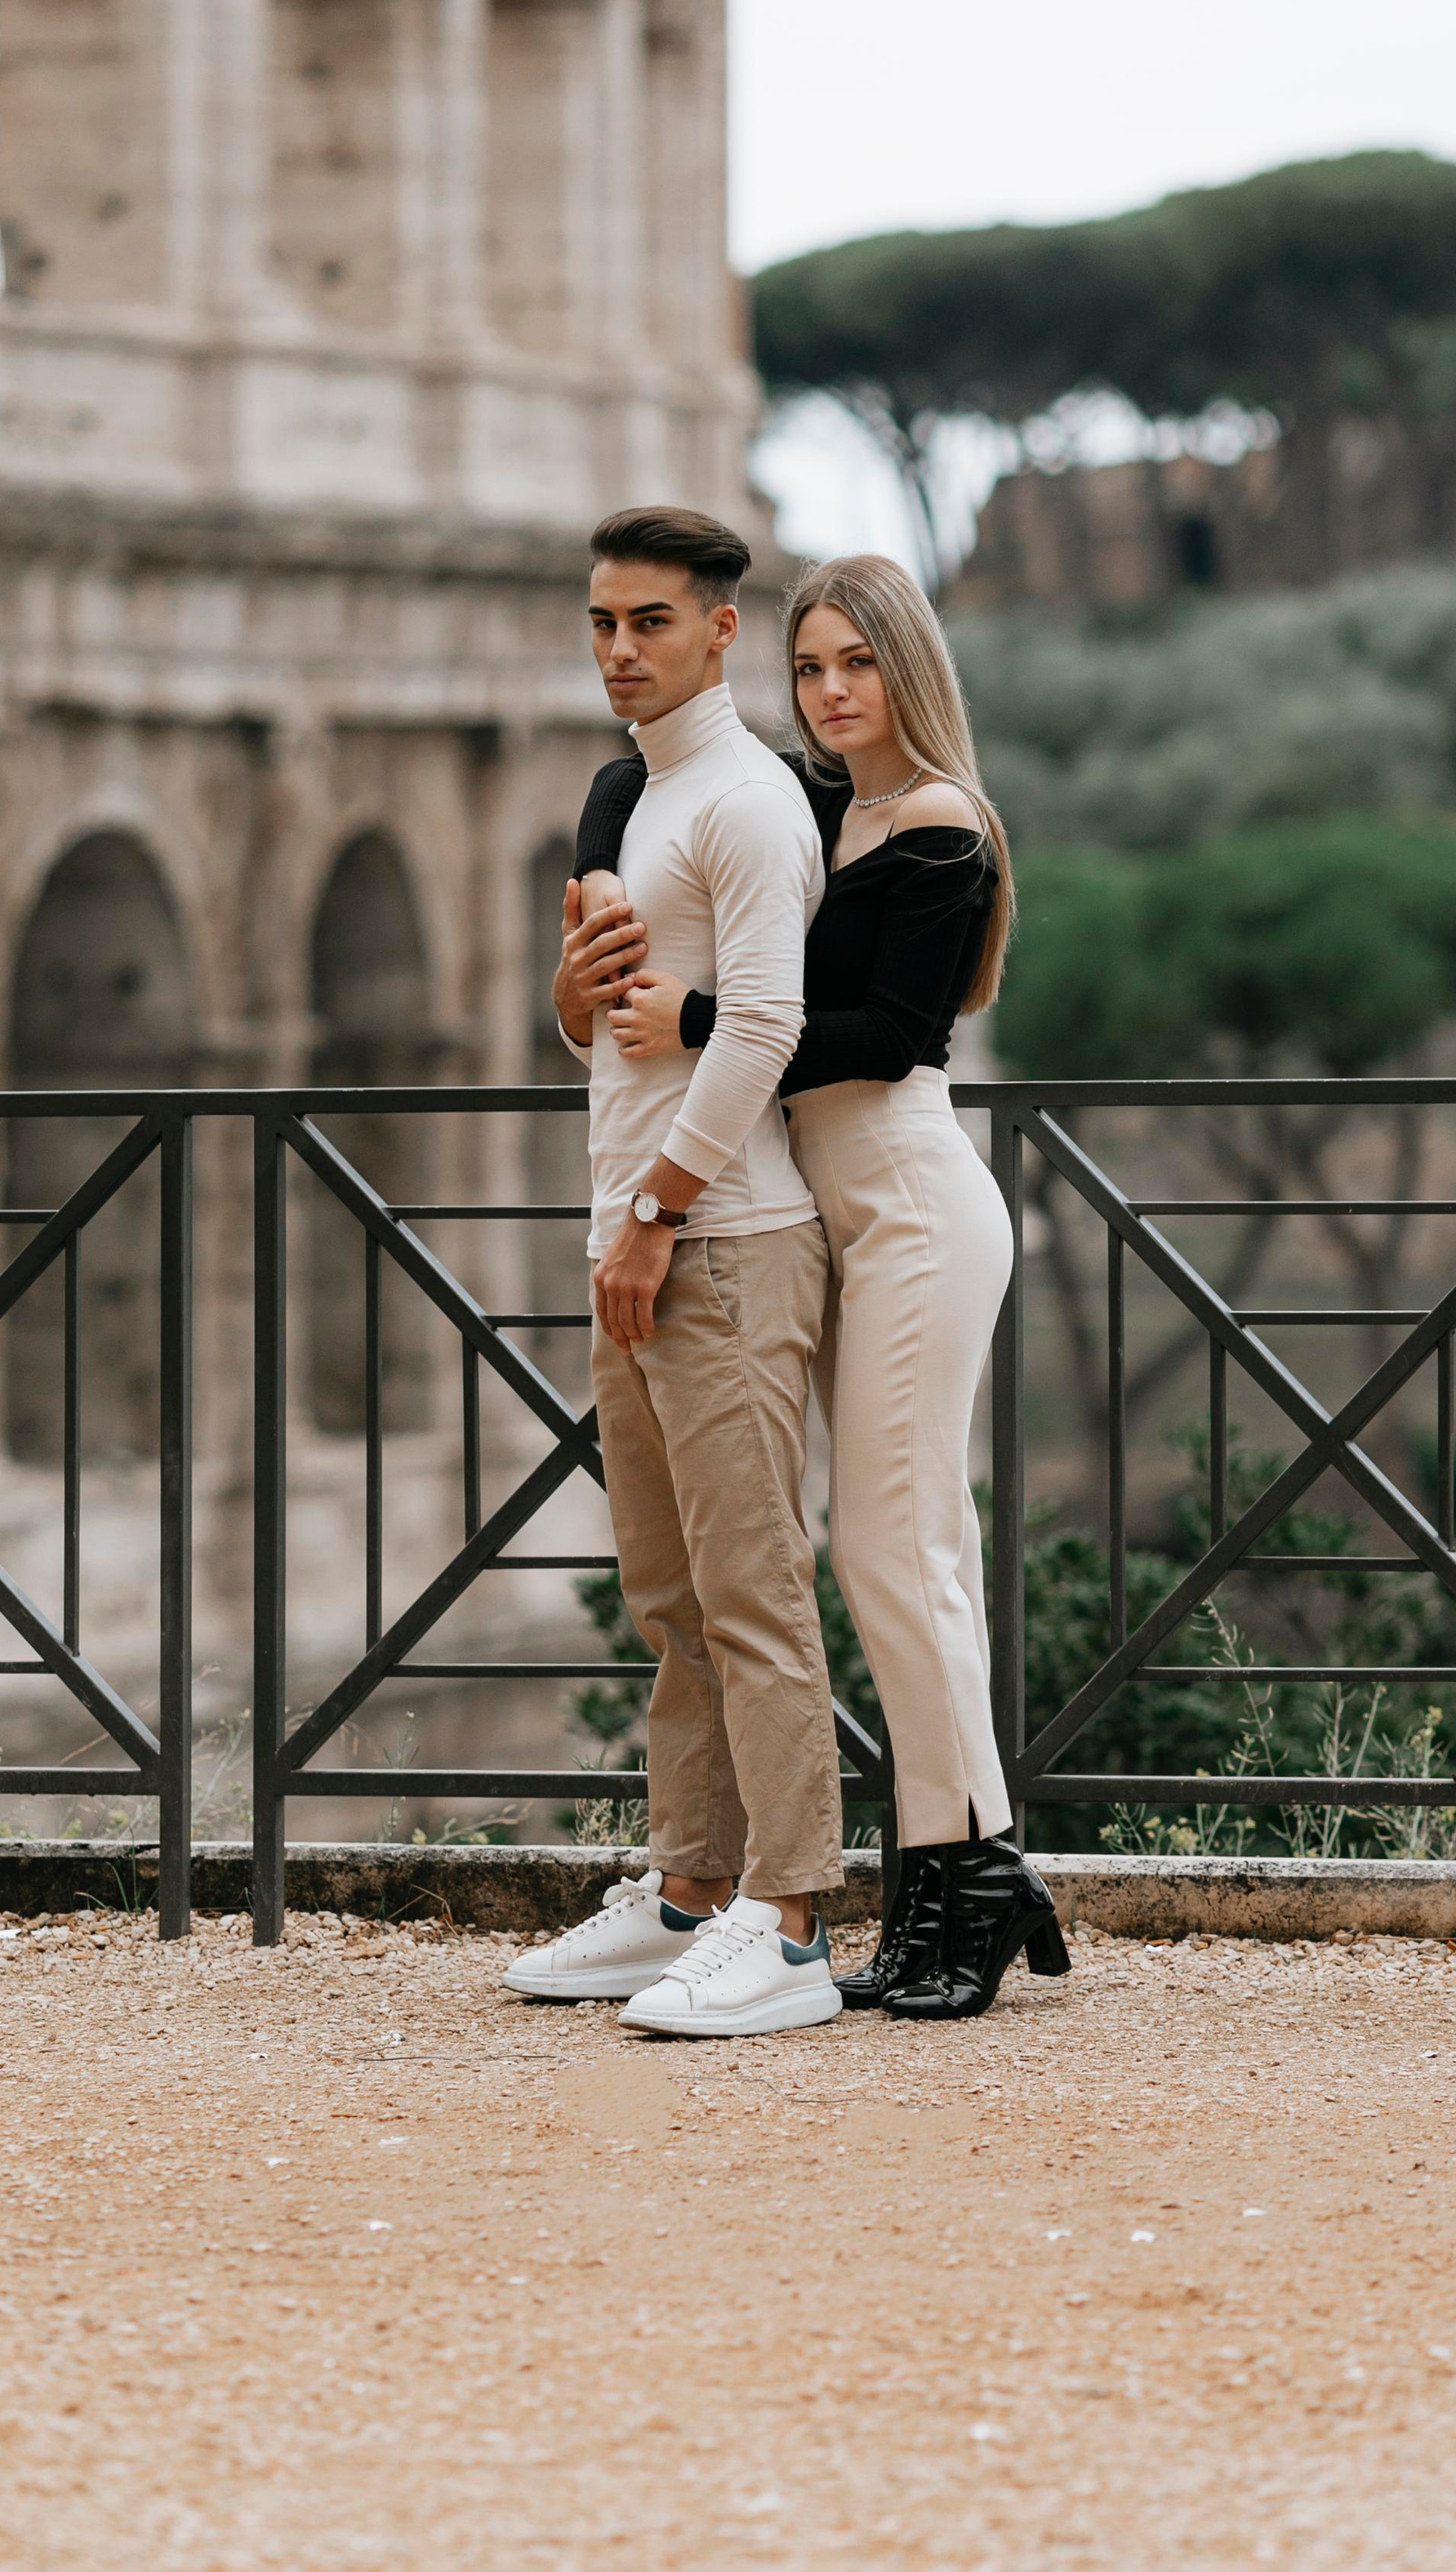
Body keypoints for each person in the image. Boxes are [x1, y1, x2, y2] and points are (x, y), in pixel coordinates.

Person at [573, 554, 1067, 2022]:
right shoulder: (813, 804)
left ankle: (966, 1873)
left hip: (908, 1204)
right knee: (916, 1550)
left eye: (860, 665)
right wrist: (604, 871)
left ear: (911, 674)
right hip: (832, 1217)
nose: (833, 692)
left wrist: (699, 1013)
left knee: (889, 1552)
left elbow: (888, 1029)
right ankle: (954, 1867)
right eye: (811, 669)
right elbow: (630, 782)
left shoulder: (939, 831)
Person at [502, 506, 848, 2039]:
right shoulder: (633, 802)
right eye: (601, 624)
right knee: (669, 1597)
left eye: (649, 622)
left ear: (722, 629)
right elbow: (612, 1030)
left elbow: (761, 1028)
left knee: (753, 1590)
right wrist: (569, 1001)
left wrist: (654, 1212)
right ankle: (691, 1896)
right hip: (635, 1236)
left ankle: (790, 1933)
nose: (618, 651)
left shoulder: (750, 805)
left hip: (719, 1243)